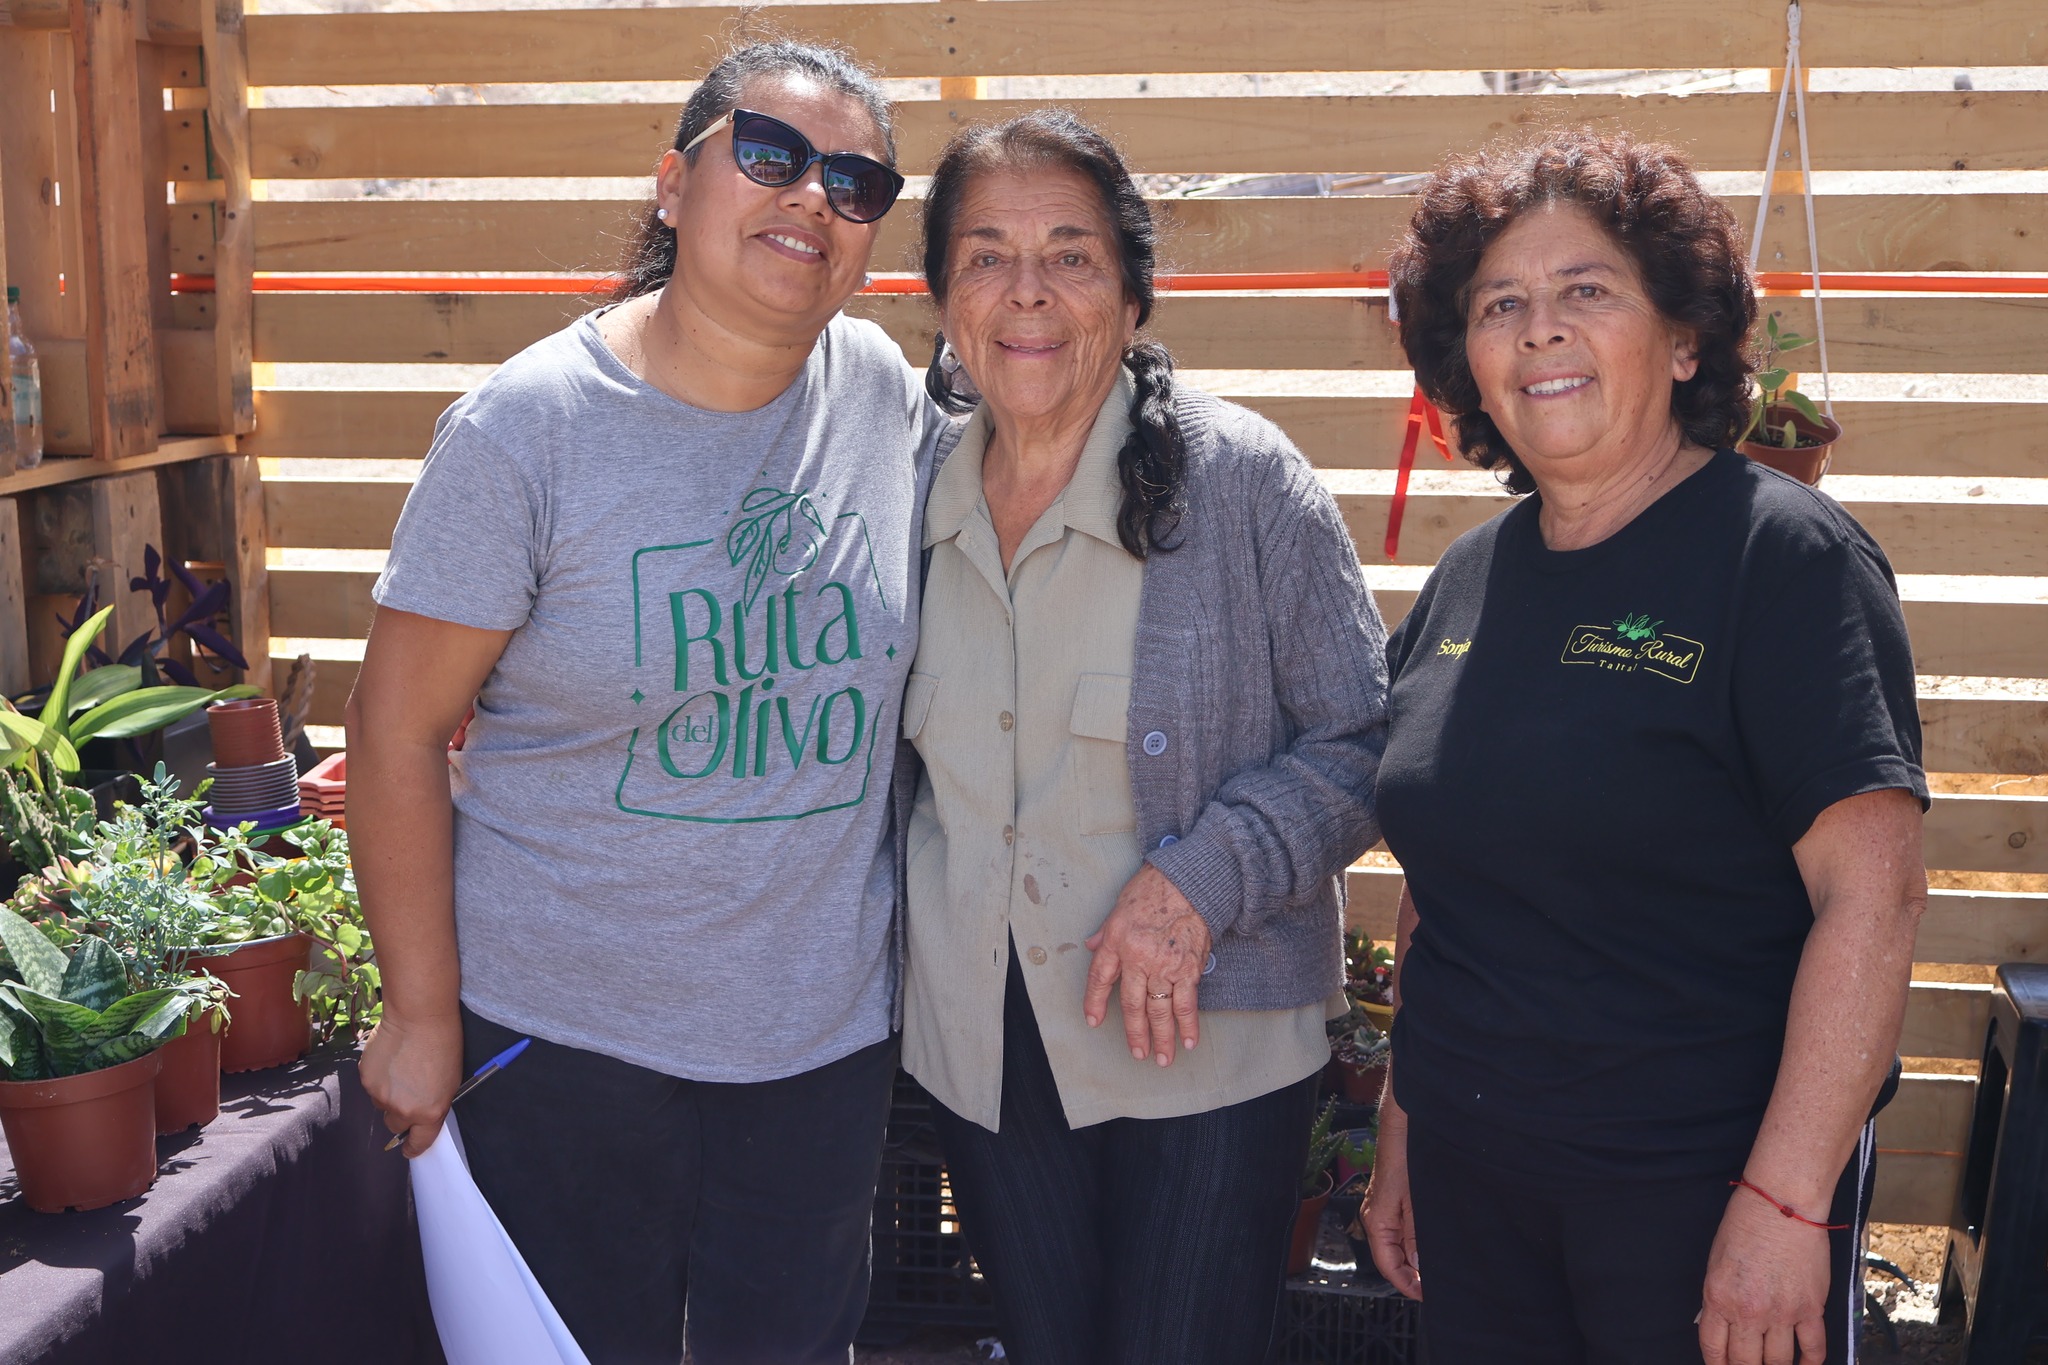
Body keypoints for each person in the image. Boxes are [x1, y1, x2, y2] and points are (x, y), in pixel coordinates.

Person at [348, 41, 944, 1365]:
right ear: (675, 185)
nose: (811, 199)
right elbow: (392, 731)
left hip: (817, 1048)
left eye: (856, 183)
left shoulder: (891, 400)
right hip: (566, 1047)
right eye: (771, 156)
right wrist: (422, 1012)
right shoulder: (529, 432)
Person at [1361, 129, 1928, 1365]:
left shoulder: (1782, 563)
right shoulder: (1468, 578)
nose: (1537, 329)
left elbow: (1871, 901)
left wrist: (1785, 1202)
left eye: (1585, 291)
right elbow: (1443, 874)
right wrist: (1404, 1116)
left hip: (1692, 1194)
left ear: (1681, 341)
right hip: (1476, 1180)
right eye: (1499, 303)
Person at [900, 109, 1389, 1365]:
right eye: (986, 254)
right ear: (942, 293)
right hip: (986, 1053)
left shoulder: (1239, 482)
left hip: (1203, 1052)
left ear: (1129, 293)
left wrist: (1199, 877)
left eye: (1069, 253)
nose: (1027, 293)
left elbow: (1361, 739)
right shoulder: (904, 489)